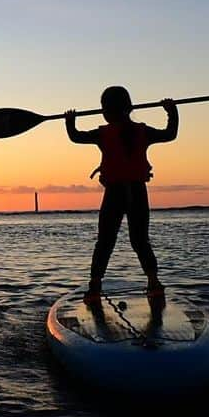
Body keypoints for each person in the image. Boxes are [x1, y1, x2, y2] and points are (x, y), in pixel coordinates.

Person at [66, 87, 178, 304]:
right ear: (129, 108)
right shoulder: (143, 131)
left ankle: (95, 287)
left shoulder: (102, 133)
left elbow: (75, 137)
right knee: (140, 240)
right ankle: (154, 283)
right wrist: (172, 112)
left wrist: (70, 121)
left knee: (105, 241)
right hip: (137, 192)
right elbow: (170, 134)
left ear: (106, 111)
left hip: (115, 194)